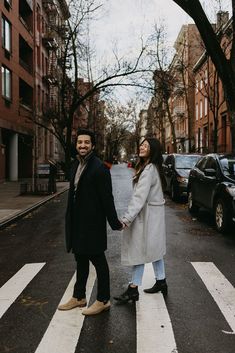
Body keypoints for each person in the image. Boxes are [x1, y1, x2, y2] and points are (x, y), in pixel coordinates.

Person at [58, 129, 122, 315]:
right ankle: (79, 297)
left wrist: (114, 222)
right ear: (76, 145)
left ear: (93, 145)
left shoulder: (99, 168)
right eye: (80, 142)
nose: (83, 145)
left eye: (86, 142)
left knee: (98, 261)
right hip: (77, 223)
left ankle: (103, 300)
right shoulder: (75, 165)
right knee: (81, 260)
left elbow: (106, 199)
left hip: (92, 225)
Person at [114, 137, 167, 304]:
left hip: (147, 217)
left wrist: (127, 218)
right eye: (141, 144)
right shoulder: (151, 167)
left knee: (139, 251)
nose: (142, 147)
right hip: (153, 216)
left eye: (146, 145)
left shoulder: (149, 170)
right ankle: (161, 281)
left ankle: (133, 289)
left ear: (153, 150)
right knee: (154, 248)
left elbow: (139, 198)